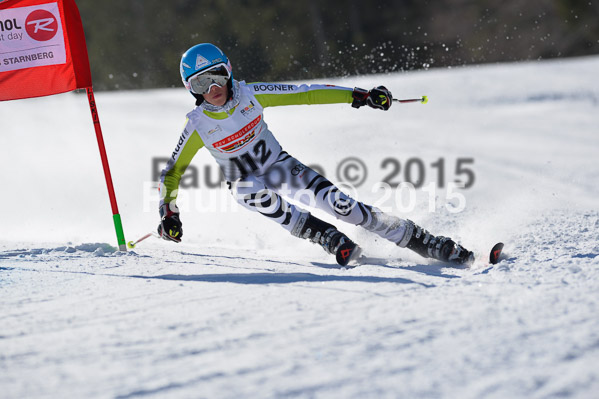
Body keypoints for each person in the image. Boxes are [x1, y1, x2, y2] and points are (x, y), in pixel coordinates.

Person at [158, 43, 474, 266]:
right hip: (245, 182)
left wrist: (359, 96)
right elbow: (172, 172)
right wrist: (168, 213)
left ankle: (421, 240)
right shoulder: (197, 125)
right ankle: (322, 234)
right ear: (191, 88)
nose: (213, 87)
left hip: (281, 167)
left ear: (228, 70)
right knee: (248, 191)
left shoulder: (250, 94)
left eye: (217, 75)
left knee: (344, 207)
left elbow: (306, 93)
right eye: (202, 82)